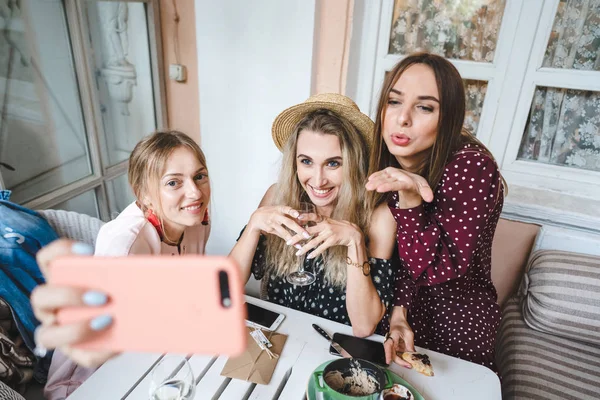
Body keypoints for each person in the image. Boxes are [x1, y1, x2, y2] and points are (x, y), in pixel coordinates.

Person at [30, 130, 212, 398]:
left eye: (199, 176)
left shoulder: (196, 218)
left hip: (156, 357)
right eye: (174, 183)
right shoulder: (125, 244)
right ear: (144, 195)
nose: (195, 192)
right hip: (91, 379)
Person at [365, 53, 505, 372]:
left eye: (424, 107)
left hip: (457, 326)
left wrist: (411, 197)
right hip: (402, 317)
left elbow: (436, 269)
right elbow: (397, 260)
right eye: (394, 102)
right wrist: (398, 312)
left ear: (448, 118)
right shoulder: (387, 163)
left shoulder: (472, 166)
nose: (403, 118)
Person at [230, 93, 397, 337]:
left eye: (333, 164)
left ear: (354, 163)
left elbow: (364, 326)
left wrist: (355, 240)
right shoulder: (277, 197)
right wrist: (254, 226)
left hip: (335, 350)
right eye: (306, 161)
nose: (318, 180)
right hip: (277, 338)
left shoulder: (378, 216)